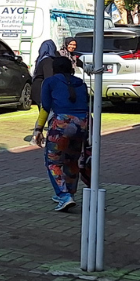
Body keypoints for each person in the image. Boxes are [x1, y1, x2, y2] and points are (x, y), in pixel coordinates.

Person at [39, 57, 92, 211]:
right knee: (72, 160)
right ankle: (70, 192)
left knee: (53, 161)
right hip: (82, 124)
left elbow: (45, 107)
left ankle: (64, 195)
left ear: (54, 69)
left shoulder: (49, 82)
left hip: (61, 124)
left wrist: (38, 129)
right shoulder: (81, 83)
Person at [27, 39, 61, 143]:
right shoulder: (48, 61)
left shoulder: (40, 59)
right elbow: (48, 78)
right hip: (43, 91)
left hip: (37, 90)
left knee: (44, 114)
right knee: (49, 114)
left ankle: (38, 137)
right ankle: (42, 137)